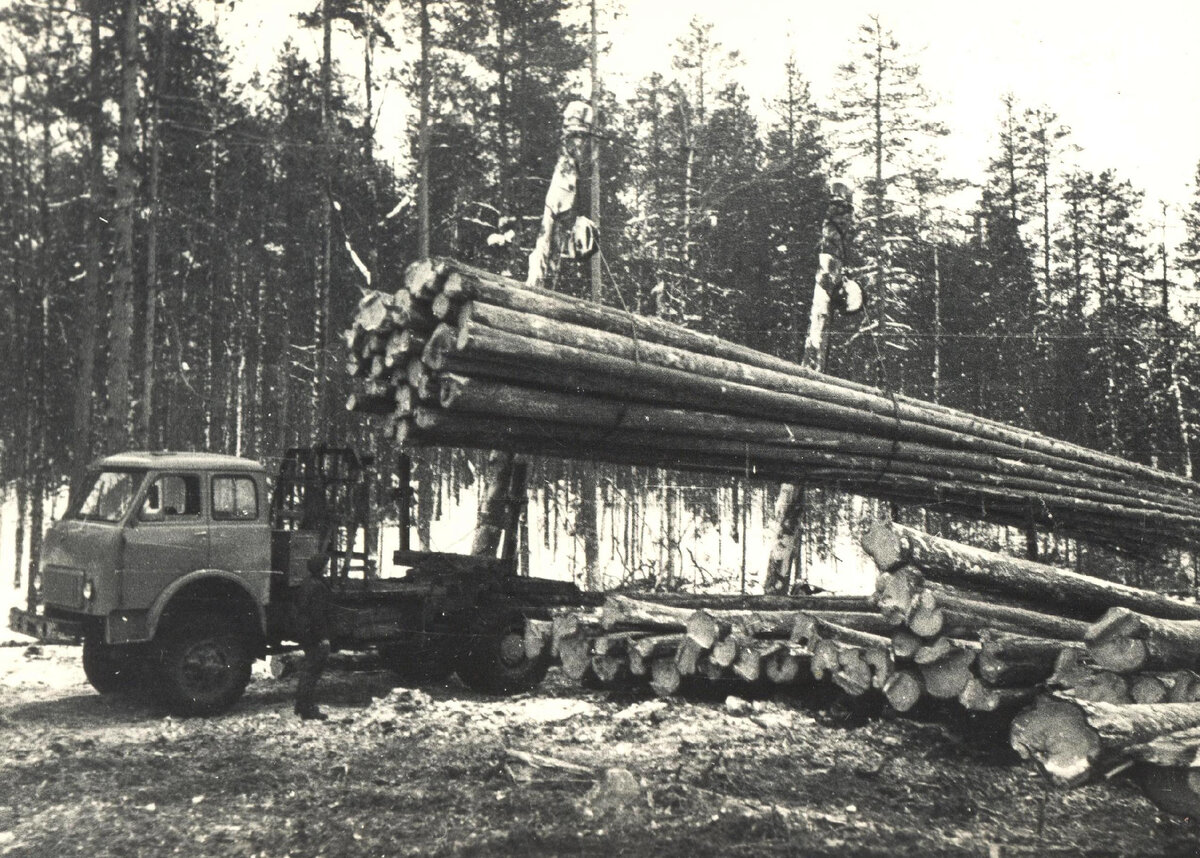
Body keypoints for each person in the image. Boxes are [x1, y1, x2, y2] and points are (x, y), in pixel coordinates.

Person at [293, 553, 333, 721]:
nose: (327, 567)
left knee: (309, 669)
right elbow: (318, 616)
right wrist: (324, 637)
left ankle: (301, 705)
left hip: (305, 632)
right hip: (313, 633)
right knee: (313, 670)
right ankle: (307, 709)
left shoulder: (307, 583)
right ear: (320, 567)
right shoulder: (318, 587)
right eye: (325, 564)